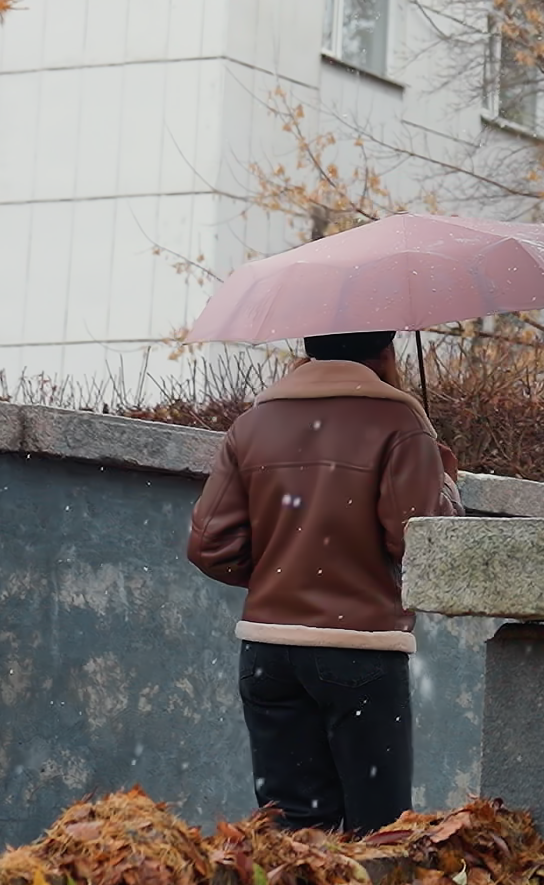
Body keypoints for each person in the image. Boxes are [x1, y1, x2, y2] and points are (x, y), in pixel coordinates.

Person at [187, 329, 462, 834]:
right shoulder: (400, 424)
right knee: (378, 832)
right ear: (386, 352)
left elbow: (210, 546)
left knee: (294, 835)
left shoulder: (252, 425)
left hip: (268, 654)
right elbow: (416, 542)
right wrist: (442, 481)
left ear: (308, 349)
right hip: (359, 650)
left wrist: (282, 573)